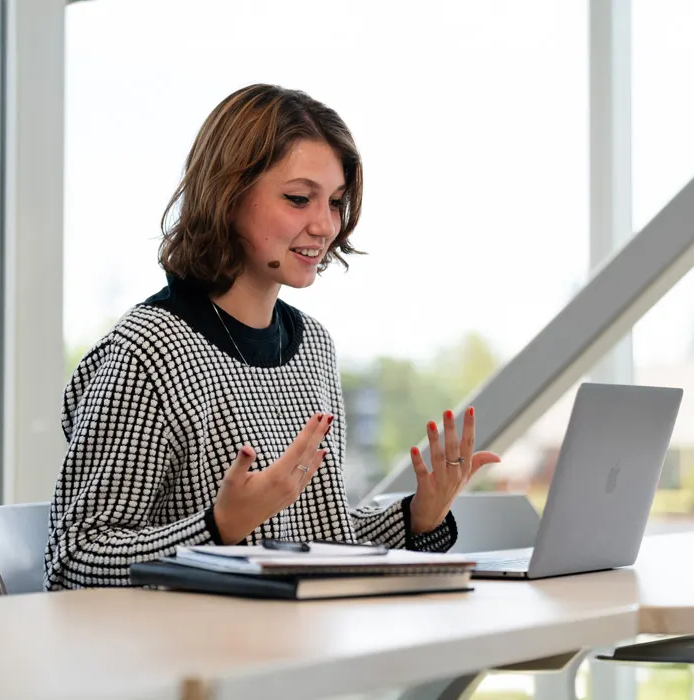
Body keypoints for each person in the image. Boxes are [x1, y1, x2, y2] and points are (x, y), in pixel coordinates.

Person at [44, 84, 501, 590]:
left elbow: (321, 541)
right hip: (196, 660)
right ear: (228, 192)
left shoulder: (314, 346)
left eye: (336, 202)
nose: (326, 224)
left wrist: (419, 515)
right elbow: (74, 561)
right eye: (299, 199)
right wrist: (219, 529)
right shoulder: (148, 351)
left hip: (301, 648)